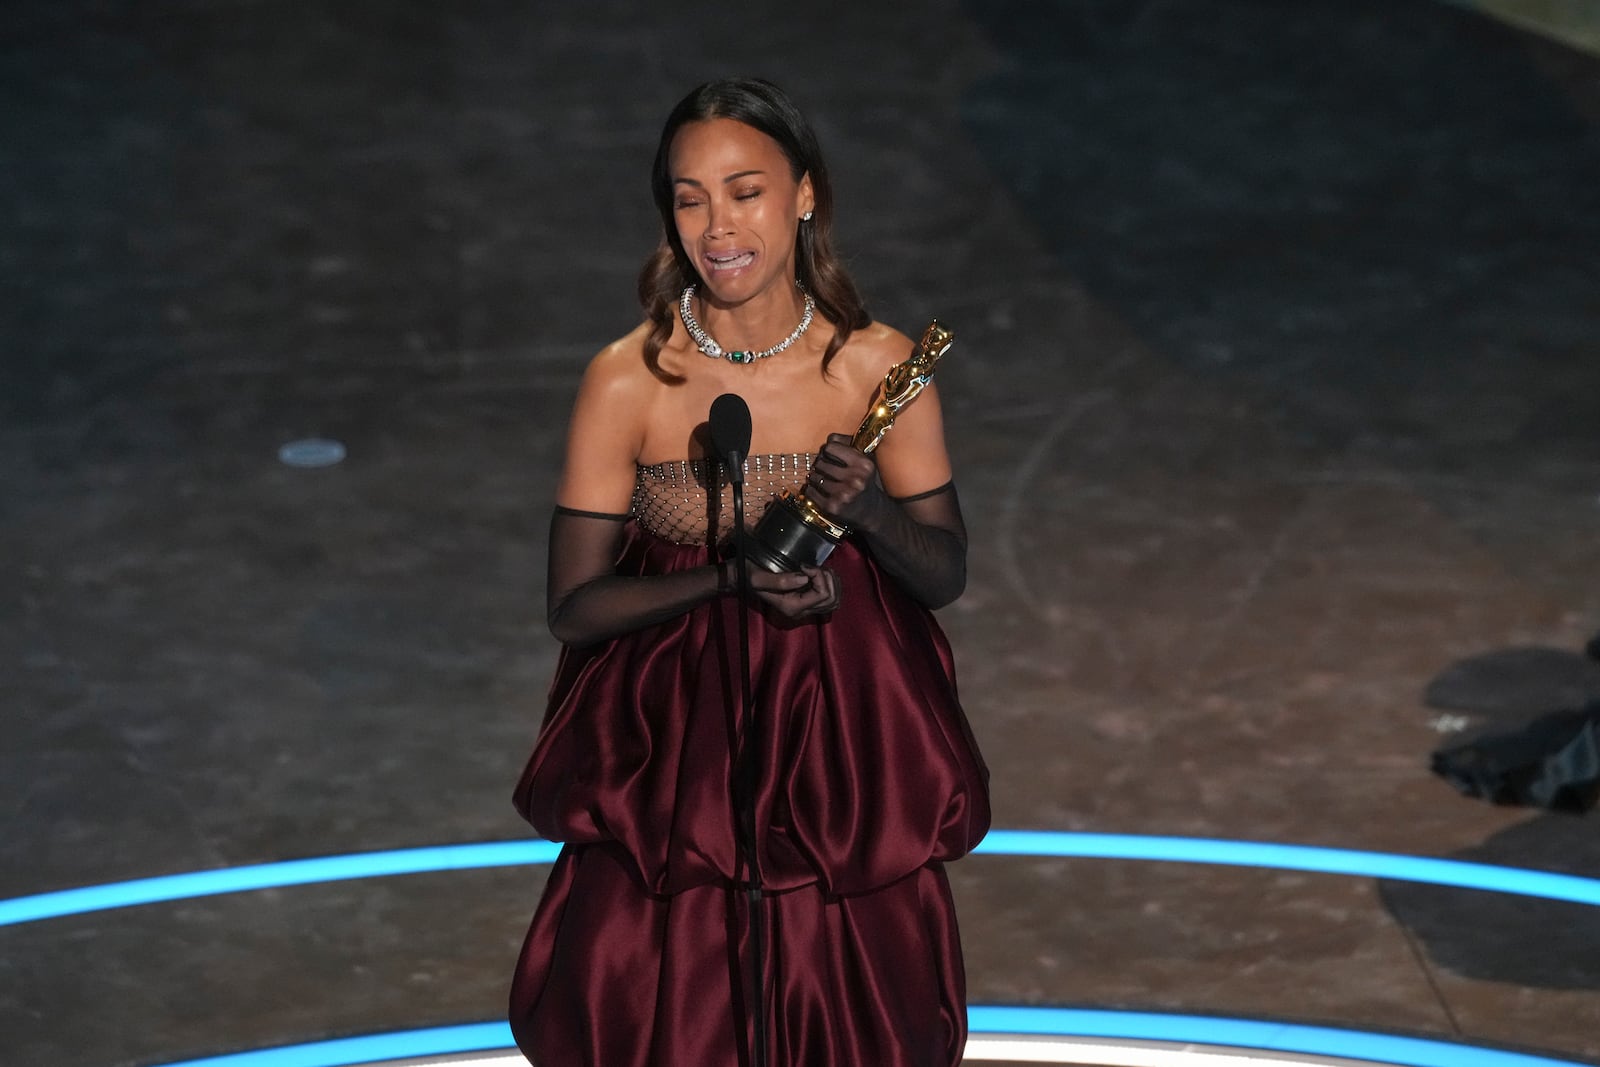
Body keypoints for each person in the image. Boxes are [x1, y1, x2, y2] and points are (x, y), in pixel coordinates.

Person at [509, 77, 990, 1067]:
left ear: (803, 195)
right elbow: (575, 604)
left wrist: (866, 518)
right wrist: (727, 580)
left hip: (837, 753)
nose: (718, 225)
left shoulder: (875, 367)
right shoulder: (628, 377)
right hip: (677, 755)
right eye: (689, 199)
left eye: (745, 190)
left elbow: (942, 571)